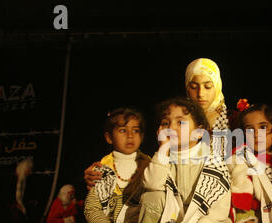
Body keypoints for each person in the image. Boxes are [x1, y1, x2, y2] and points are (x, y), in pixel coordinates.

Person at [84, 58, 232, 188]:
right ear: (187, 87)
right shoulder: (171, 118)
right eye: (194, 87)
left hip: (224, 192)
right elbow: (143, 155)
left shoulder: (233, 121)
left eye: (208, 86)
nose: (200, 93)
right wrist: (106, 169)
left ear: (218, 86)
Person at [135, 97, 231, 223]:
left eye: (180, 122)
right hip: (174, 222)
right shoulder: (164, 158)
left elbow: (220, 209)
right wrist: (163, 148)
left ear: (199, 132)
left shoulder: (213, 161)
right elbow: (152, 184)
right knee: (152, 196)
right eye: (166, 122)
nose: (171, 126)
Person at [65, 107, 150, 223]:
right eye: (123, 130)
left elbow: (153, 207)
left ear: (142, 136)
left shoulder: (150, 166)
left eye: (136, 130)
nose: (130, 135)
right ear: (109, 137)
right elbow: (92, 208)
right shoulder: (101, 169)